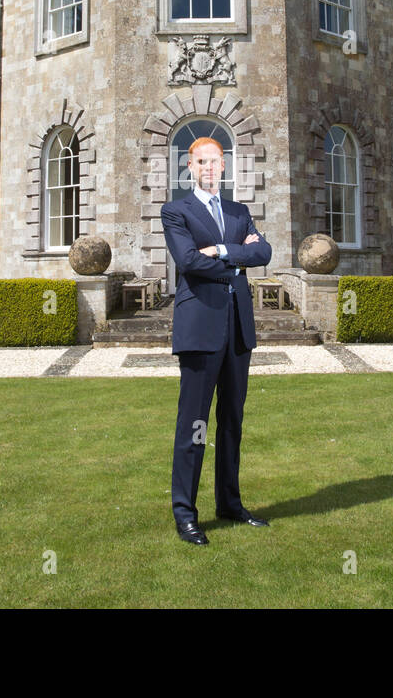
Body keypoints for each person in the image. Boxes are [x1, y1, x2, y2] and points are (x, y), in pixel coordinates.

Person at [160, 136, 273, 545]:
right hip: (200, 327)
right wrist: (236, 261)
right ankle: (185, 513)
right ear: (190, 167)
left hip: (238, 327)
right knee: (194, 423)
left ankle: (229, 503)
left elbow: (265, 254)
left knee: (231, 421)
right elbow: (188, 261)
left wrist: (222, 250)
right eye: (202, 161)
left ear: (225, 167)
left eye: (216, 161)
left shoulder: (239, 212)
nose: (210, 168)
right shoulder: (176, 211)